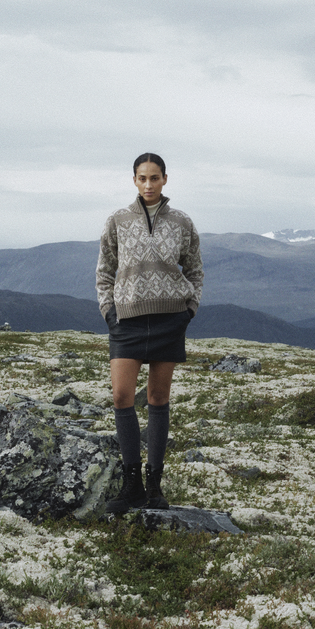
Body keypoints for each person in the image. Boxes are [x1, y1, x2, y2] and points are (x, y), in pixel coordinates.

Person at [96, 153, 203, 513]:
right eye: (142, 178)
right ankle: (132, 485)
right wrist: (109, 311)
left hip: (169, 319)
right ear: (134, 180)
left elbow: (195, 269)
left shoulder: (182, 222)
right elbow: (105, 270)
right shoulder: (118, 220)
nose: (148, 184)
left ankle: (155, 485)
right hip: (126, 321)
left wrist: (190, 309)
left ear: (165, 179)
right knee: (122, 396)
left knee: (158, 399)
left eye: (155, 178)